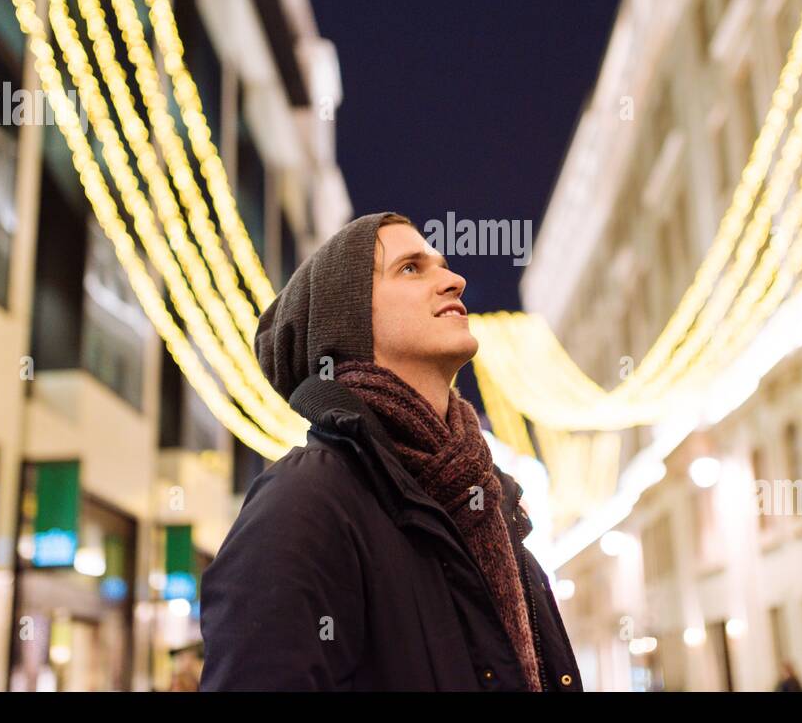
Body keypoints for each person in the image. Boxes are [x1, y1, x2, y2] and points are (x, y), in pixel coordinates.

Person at [199, 212, 583, 691]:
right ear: (349, 320)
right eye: (410, 268)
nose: (455, 280)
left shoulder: (490, 507)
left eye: (442, 265)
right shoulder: (306, 502)